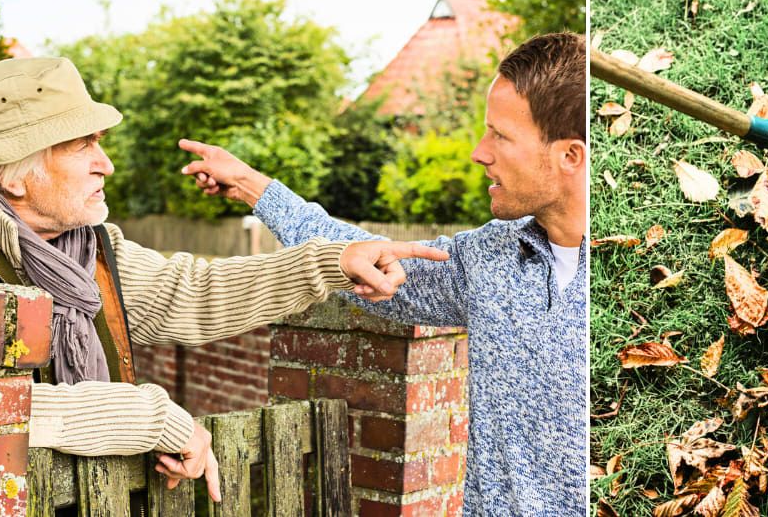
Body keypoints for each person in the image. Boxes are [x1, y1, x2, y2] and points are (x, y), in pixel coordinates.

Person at [0, 56, 450, 500]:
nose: (105, 163)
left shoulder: (92, 253)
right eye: (80, 145)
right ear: (14, 178)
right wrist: (153, 419)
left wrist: (333, 262)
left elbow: (195, 293)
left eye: (99, 141)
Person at [180, 32, 587, 514]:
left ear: (569, 156)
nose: (479, 152)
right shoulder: (489, 259)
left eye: (500, 135)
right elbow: (364, 255)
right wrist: (252, 185)